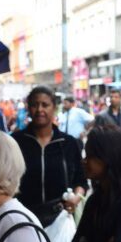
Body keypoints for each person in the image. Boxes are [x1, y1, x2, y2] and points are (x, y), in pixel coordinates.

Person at [12, 86, 88, 227]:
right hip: (23, 219)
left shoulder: (68, 143)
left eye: (45, 105)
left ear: (54, 108)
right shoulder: (16, 142)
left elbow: (81, 180)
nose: (40, 109)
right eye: (35, 105)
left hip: (60, 219)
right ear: (28, 108)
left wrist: (76, 198)